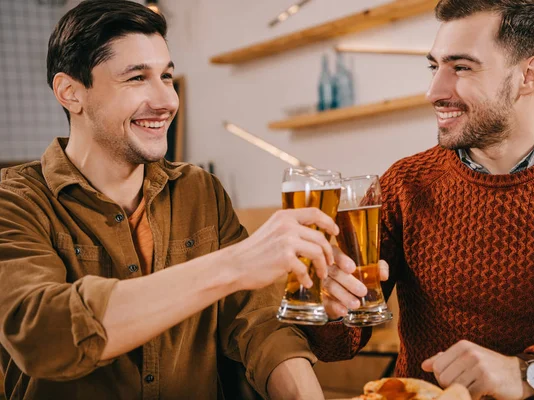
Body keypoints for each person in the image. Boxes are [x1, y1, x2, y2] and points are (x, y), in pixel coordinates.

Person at [0, 1, 338, 399]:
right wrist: (235, 265)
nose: (167, 100)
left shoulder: (201, 192)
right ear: (70, 93)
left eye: (166, 75)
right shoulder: (15, 202)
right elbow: (43, 333)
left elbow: (258, 323)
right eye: (137, 78)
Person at [305, 0, 534, 399]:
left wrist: (527, 372)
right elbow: (339, 346)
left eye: (461, 67)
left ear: (528, 75)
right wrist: (325, 304)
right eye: (435, 66)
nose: (434, 91)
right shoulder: (404, 184)